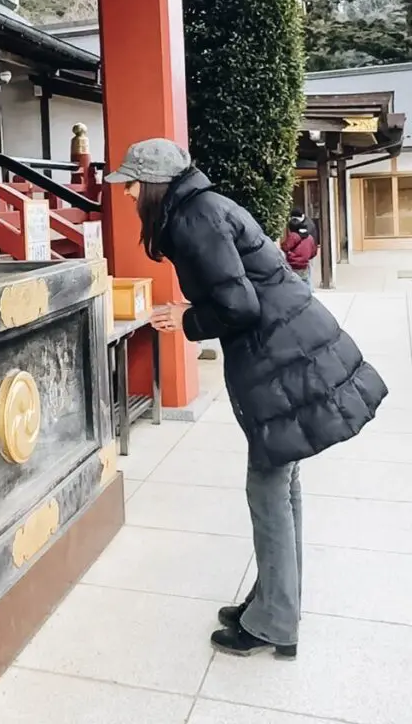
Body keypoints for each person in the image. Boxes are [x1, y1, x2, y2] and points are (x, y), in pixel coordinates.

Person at [106, 139, 387, 659]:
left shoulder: (191, 221)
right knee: (282, 483)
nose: (126, 194)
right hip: (292, 346)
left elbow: (239, 305)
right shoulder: (205, 206)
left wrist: (185, 319)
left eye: (131, 185)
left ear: (153, 186)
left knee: (267, 488)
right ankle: (274, 603)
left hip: (281, 357)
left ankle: (275, 621)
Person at [282, 208, 319, 286]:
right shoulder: (308, 234)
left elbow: (286, 247)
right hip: (305, 260)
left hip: (295, 262)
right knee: (306, 281)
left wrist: (289, 254)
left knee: (297, 283)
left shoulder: (296, 235)